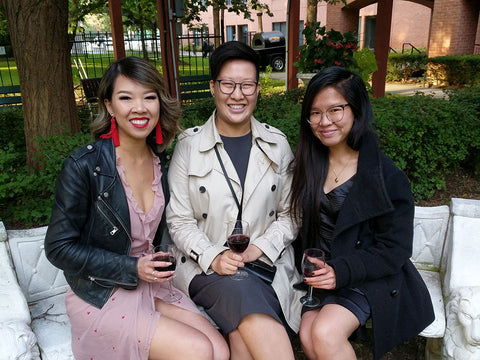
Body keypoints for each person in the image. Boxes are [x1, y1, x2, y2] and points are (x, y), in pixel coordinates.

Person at [44, 56, 229, 360]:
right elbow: (58, 248)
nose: (140, 107)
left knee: (219, 351)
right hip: (102, 290)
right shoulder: (85, 166)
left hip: (153, 285)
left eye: (149, 97)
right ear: (109, 106)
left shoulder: (162, 161)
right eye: (126, 98)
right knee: (196, 351)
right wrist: (132, 267)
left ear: (160, 103)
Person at [166, 41, 303, 360]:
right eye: (228, 84)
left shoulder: (277, 144)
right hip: (206, 269)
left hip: (266, 263)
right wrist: (213, 256)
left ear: (258, 88)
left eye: (247, 85)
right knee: (243, 296)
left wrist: (261, 248)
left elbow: (291, 214)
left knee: (241, 336)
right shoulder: (189, 145)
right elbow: (179, 220)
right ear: (213, 87)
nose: (237, 94)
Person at [289, 66, 435, 360]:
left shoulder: (385, 176)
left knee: (324, 333)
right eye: (315, 113)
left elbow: (395, 249)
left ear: (356, 109)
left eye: (335, 110)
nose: (324, 121)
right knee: (307, 333)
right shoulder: (308, 163)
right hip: (319, 276)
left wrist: (341, 271)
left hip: (366, 275)